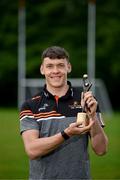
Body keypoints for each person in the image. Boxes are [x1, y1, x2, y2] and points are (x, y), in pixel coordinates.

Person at [19, 46, 108, 180]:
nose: (55, 71)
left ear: (69, 67)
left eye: (60, 65)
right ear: (42, 70)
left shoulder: (87, 101)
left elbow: (101, 150)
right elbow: (32, 150)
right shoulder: (30, 105)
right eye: (49, 66)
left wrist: (92, 116)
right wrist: (66, 134)